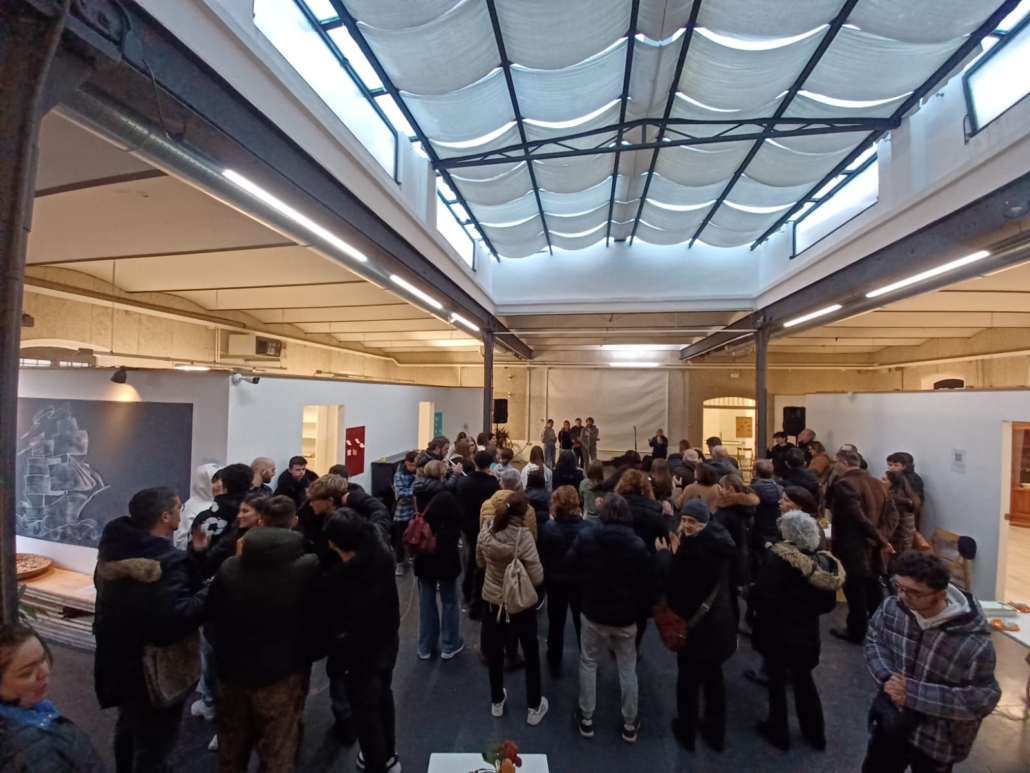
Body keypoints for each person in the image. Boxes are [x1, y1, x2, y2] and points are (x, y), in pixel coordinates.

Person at [94, 486, 208, 773]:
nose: (182, 512)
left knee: (128, 730)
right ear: (165, 517)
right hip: (153, 671)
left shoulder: (114, 550)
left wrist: (194, 554)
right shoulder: (166, 562)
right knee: (156, 746)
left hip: (118, 660)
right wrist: (210, 593)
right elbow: (172, 621)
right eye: (179, 508)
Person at [862, 552, 1001, 773]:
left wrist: (913, 694)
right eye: (898, 586)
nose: (902, 596)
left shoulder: (973, 643)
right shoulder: (892, 608)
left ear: (940, 594)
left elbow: (983, 698)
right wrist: (887, 676)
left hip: (936, 740)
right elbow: (875, 639)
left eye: (914, 592)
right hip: (891, 721)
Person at [209, 495, 319, 772]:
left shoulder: (230, 567)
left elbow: (212, 614)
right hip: (281, 672)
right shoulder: (307, 567)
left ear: (261, 522)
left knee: (231, 752)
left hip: (232, 671)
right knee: (277, 752)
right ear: (294, 522)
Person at [751, 511, 845, 751]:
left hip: (777, 631)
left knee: (776, 681)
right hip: (808, 633)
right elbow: (828, 604)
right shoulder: (822, 562)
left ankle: (778, 730)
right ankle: (815, 733)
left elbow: (764, 596)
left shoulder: (779, 560)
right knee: (804, 681)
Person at [319, 510, 402, 773]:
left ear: (334, 543)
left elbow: (345, 632)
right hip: (388, 643)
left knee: (366, 717)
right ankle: (389, 756)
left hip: (360, 659)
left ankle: (376, 765)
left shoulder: (341, 583)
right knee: (384, 699)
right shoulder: (381, 556)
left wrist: (339, 665)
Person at [567, 494, 654, 744]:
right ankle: (630, 722)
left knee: (589, 662)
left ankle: (586, 716)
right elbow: (647, 581)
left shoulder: (587, 536)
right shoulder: (637, 545)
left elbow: (570, 564)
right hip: (626, 616)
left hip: (593, 611)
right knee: (627, 667)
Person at [659, 499, 738, 753]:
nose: (686, 525)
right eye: (684, 520)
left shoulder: (691, 553)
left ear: (703, 523)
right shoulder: (721, 544)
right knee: (715, 680)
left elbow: (675, 587)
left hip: (697, 627)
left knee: (688, 682)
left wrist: (668, 555)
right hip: (721, 622)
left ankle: (687, 731)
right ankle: (716, 732)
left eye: (691, 522)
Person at [476, 493, 548, 724]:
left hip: (492, 600)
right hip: (519, 602)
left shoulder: (486, 530)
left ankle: (497, 701)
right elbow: (537, 577)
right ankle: (534, 706)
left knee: (495, 651)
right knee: (531, 651)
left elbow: (480, 562)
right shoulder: (523, 537)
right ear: (523, 513)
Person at [0, 624, 105, 772]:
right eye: (27, 673)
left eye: (43, 659)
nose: (44, 672)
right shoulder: (37, 750)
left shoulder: (34, 712)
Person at [830, 448, 899, 644]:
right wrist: (881, 537)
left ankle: (856, 630)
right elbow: (893, 516)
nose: (834, 467)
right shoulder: (877, 483)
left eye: (836, 462)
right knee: (873, 588)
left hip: (852, 547)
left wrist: (880, 539)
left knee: (855, 591)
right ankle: (880, 629)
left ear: (844, 463)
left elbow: (857, 518)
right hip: (873, 546)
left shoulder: (845, 485)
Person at [539, 486, 593, 678]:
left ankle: (554, 658)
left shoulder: (547, 528)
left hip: (555, 581)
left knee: (556, 622)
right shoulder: (588, 528)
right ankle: (587, 658)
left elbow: (542, 554)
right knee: (582, 622)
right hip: (580, 581)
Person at [413, 460, 464, 660]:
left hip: (423, 553)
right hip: (445, 553)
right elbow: (459, 518)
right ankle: (449, 645)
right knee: (449, 600)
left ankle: (425, 646)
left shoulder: (417, 494)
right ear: (442, 475)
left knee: (426, 601)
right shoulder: (446, 497)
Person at [712, 475, 760, 624]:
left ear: (730, 489)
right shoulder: (748, 508)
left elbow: (717, 535)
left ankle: (730, 626)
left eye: (722, 487)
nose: (719, 490)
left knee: (728, 596)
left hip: (728, 559)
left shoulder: (726, 511)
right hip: (743, 555)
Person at [456, 450, 500, 605]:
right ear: (489, 464)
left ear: (474, 462)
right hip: (485, 525)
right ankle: (480, 590)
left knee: (468, 558)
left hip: (467, 525)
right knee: (483, 560)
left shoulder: (463, 482)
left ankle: (467, 588)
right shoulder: (493, 484)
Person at [748, 460, 784, 578]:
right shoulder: (781, 489)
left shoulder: (751, 491)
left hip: (757, 530)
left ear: (755, 473)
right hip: (777, 530)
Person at [176, 462, 220, 550]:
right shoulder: (190, 507)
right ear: (203, 482)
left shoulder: (220, 503)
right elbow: (181, 542)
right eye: (214, 480)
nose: (219, 484)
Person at [392, 451, 418, 576]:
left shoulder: (418, 471)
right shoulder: (399, 474)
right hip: (402, 512)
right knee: (400, 539)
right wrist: (414, 490)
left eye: (415, 465)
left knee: (415, 535)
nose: (413, 468)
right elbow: (400, 493)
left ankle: (412, 555)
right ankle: (400, 563)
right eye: (410, 465)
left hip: (415, 510)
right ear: (406, 462)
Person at [887, 452, 925, 530]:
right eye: (890, 465)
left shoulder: (912, 479)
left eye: (896, 465)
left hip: (908, 516)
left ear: (904, 466)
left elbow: (916, 501)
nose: (892, 468)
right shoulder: (892, 477)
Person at [885, 470, 918, 558]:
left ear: (892, 483)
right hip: (905, 538)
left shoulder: (893, 499)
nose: (881, 481)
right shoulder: (908, 497)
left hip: (897, 539)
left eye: (884, 479)